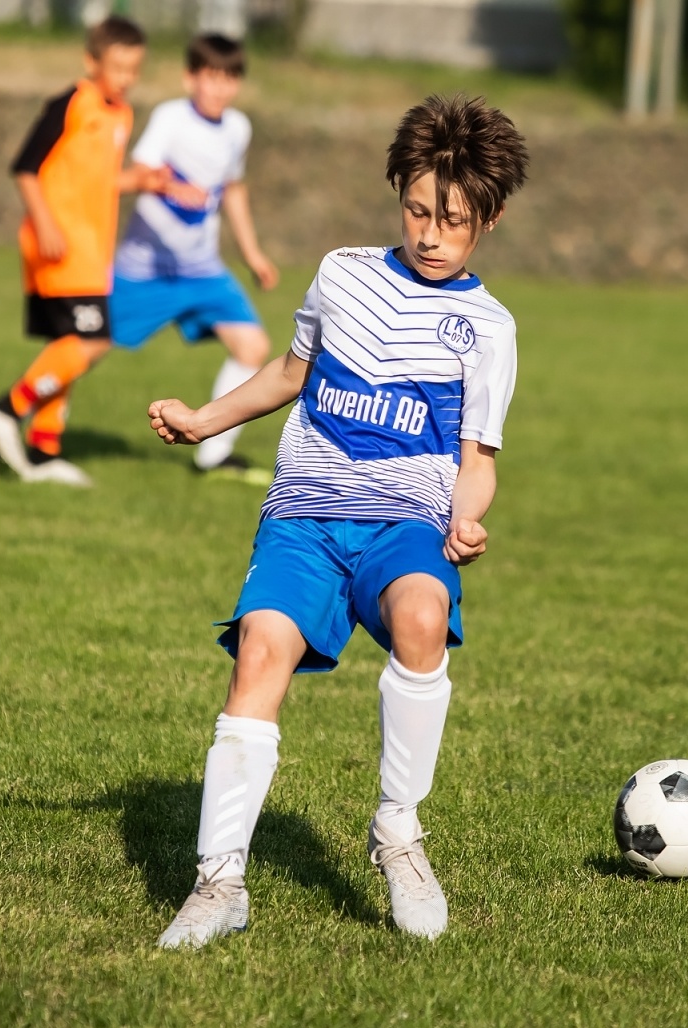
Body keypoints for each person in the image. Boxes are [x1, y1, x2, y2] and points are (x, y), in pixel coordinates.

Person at [146, 94, 528, 948]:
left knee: (423, 618)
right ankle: (220, 883)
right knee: (261, 649)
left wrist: (465, 523)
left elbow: (478, 461)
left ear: (490, 221)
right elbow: (289, 372)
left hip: (405, 526)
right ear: (399, 192)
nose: (431, 233)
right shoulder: (343, 274)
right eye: (419, 209)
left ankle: (397, 831)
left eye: (454, 221)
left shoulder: (489, 330)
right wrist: (206, 421)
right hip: (306, 518)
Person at [0, 16, 206, 486]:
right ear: (91, 61)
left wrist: (150, 182)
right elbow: (25, 168)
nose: (126, 79)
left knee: (69, 347)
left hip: (91, 251)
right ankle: (5, 409)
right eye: (118, 68)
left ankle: (43, 449)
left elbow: (100, 182)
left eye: (134, 69)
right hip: (59, 247)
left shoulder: (121, 114)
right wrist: (46, 222)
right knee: (91, 341)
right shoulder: (70, 103)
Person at [110, 33, 279, 485]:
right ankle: (15, 420)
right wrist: (169, 187)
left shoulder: (238, 128)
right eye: (211, 77)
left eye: (229, 79)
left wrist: (252, 253)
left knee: (253, 347)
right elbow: (142, 173)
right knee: (82, 343)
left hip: (203, 270)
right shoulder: (171, 118)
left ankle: (214, 455)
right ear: (191, 78)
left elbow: (234, 190)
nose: (219, 88)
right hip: (146, 268)